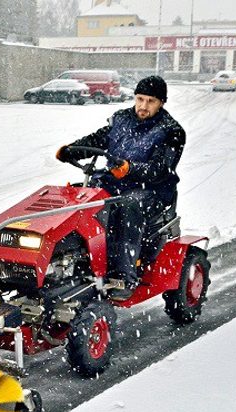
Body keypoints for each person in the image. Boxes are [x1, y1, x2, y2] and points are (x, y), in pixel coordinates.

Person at [56, 75, 186, 295]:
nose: (143, 106)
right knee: (77, 196)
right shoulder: (122, 119)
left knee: (127, 206)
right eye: (140, 99)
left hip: (153, 190)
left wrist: (130, 168)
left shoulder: (171, 131)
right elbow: (98, 139)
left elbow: (160, 169)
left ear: (161, 103)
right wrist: (72, 150)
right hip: (115, 181)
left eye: (151, 101)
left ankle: (124, 277)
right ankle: (74, 260)